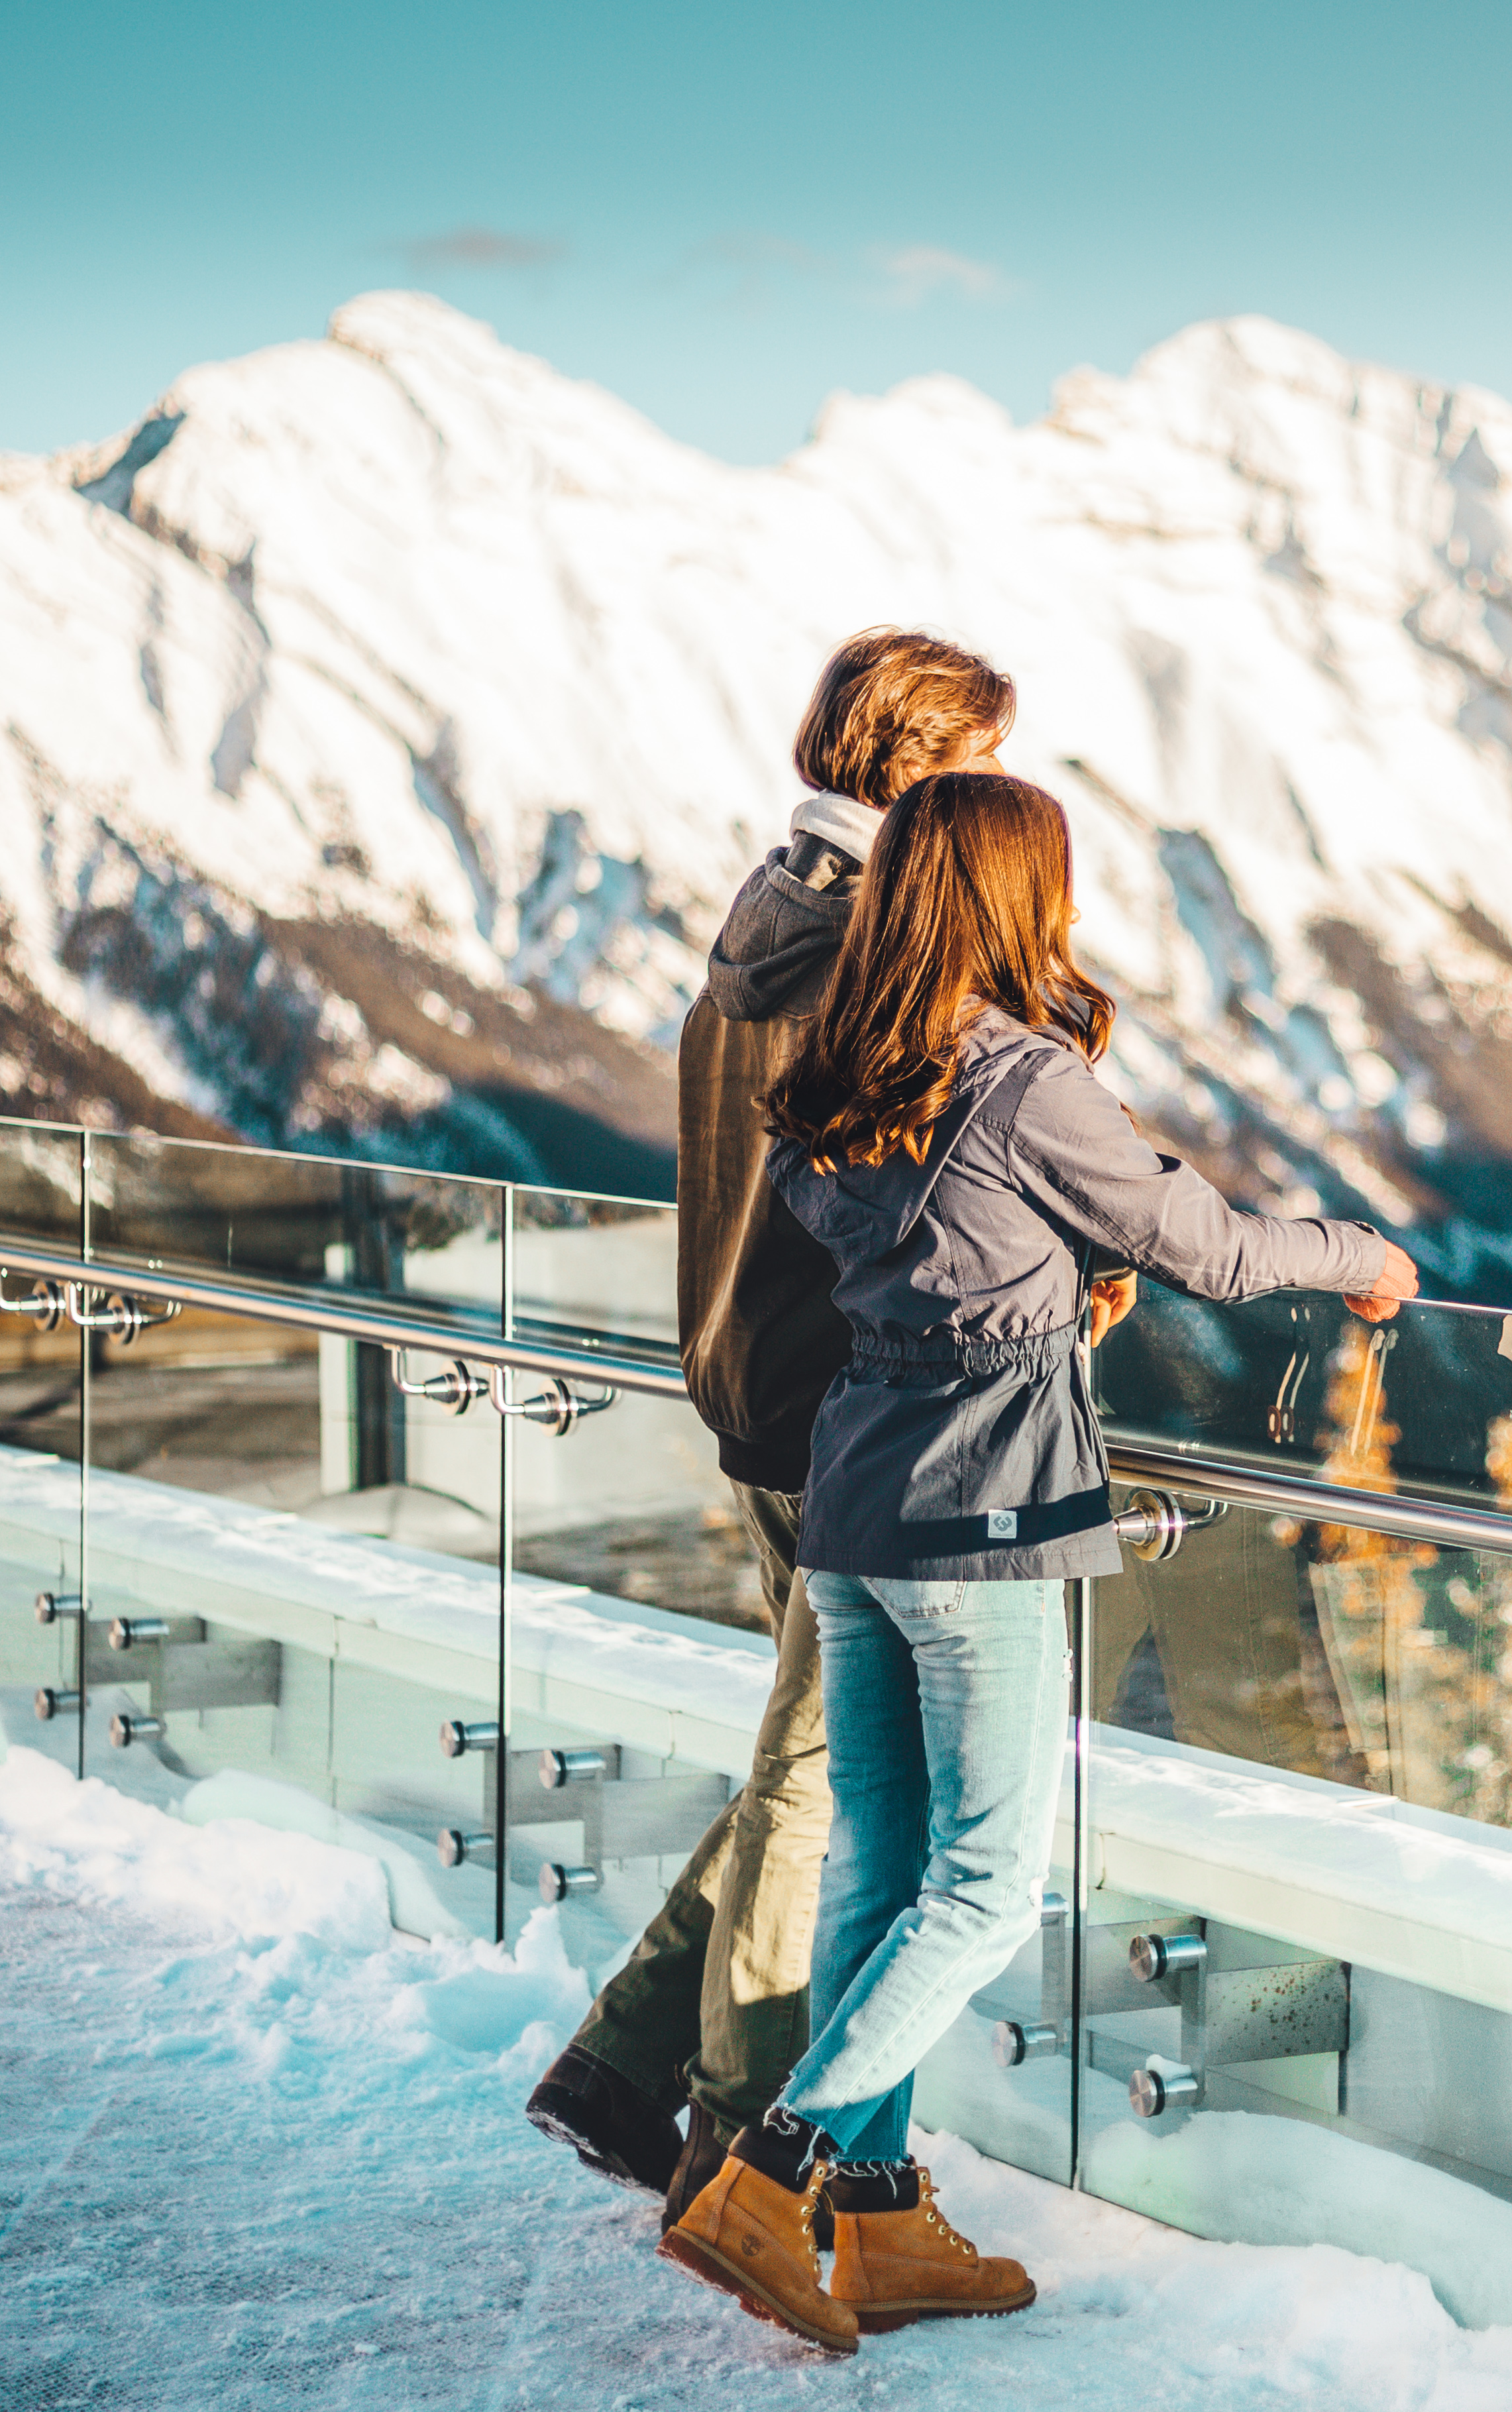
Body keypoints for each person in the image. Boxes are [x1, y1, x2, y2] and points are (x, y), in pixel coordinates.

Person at [659, 770, 1417, 2354]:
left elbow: (918, 1250)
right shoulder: (1017, 1075)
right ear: (1015, 899)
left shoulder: (845, 1061)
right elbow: (1200, 1241)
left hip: (855, 1503)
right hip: (981, 1513)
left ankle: (875, 2219)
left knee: (884, 1864)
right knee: (993, 1880)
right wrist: (1358, 1258)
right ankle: (773, 2167)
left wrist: (1039, 1288)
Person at [523, 630, 1018, 2216]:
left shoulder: (762, 921)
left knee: (803, 1763)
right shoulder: (876, 953)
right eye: (983, 762)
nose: (998, 792)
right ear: (924, 764)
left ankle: (616, 2067)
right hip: (852, 1416)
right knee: (827, 1787)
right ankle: (740, 2136)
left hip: (750, 1396)